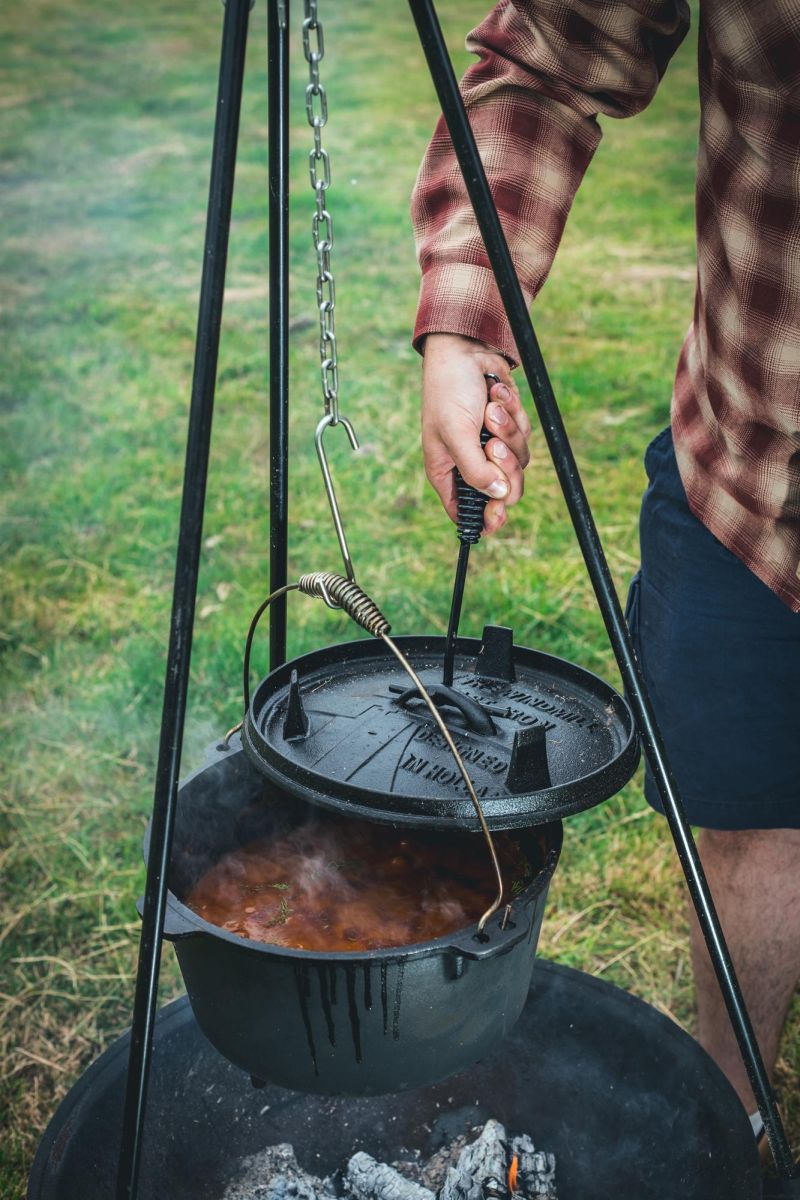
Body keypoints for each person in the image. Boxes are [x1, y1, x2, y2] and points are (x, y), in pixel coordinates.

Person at [410, 0, 800, 1143]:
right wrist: (464, 323)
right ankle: (737, 1125)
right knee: (736, 808)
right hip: (751, 470)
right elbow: (550, 50)